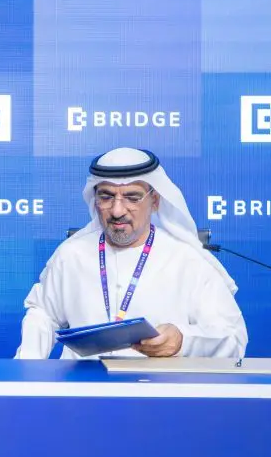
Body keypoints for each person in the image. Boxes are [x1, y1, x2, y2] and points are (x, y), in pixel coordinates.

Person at [16, 147, 247, 360]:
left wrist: (182, 341)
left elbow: (232, 337)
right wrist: (27, 367)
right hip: (81, 386)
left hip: (159, 387)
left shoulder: (187, 260)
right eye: (106, 197)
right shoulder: (71, 255)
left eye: (132, 198)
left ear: (154, 201)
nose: (117, 210)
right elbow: (42, 314)